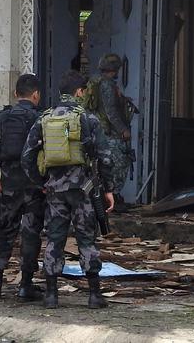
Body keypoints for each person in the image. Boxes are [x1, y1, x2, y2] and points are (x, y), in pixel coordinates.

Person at [22, 70, 115, 310]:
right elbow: (105, 157)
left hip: (54, 190)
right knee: (86, 238)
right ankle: (94, 295)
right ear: (79, 92)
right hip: (83, 189)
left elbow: (27, 157)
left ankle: (51, 295)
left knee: (55, 238)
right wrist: (108, 188)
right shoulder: (88, 119)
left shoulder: (44, 119)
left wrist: (41, 182)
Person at [0, 73, 46, 302]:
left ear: (16, 94)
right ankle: (25, 285)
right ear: (36, 95)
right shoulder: (41, 119)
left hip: (8, 185)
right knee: (31, 233)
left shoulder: (0, 118)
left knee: (5, 231)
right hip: (34, 186)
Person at [86, 54, 134, 209]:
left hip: (97, 131)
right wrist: (123, 130)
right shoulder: (106, 85)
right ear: (114, 69)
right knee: (120, 162)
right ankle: (113, 196)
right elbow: (111, 111)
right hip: (108, 134)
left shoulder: (95, 81)